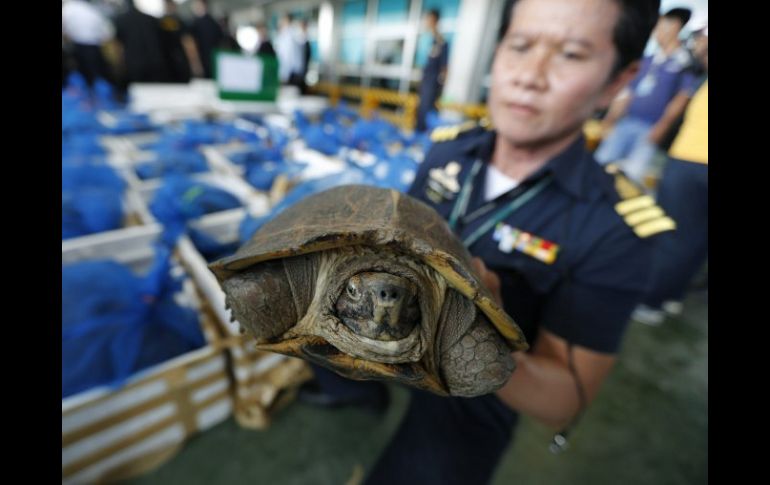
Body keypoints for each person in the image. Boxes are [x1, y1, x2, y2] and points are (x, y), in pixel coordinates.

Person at [301, 0, 674, 484]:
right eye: (520, 46)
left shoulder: (615, 229)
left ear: (618, 80)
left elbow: (563, 401)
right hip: (391, 323)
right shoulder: (449, 149)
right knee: (315, 326)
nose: (530, 75)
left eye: (571, 55)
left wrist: (483, 337)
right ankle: (361, 392)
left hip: (480, 383)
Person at [632, 24, 708, 326]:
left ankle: (651, 301)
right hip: (693, 163)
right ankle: (672, 296)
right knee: (697, 239)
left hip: (691, 162)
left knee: (673, 235)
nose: (700, 46)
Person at [593, 7, 697, 184]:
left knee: (631, 178)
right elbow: (627, 93)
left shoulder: (684, 63)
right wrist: (610, 120)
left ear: (675, 27)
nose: (657, 32)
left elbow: (680, 100)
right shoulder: (648, 60)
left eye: (662, 26)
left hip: (650, 129)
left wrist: (661, 128)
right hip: (626, 122)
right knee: (599, 165)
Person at [113, 0, 169, 85]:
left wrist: (119, 65)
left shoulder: (120, 20)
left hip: (133, 64)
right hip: (155, 62)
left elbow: (118, 46)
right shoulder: (150, 19)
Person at [61, 0, 114, 88]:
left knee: (87, 75)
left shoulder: (68, 8)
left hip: (80, 45)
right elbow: (107, 32)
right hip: (94, 45)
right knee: (96, 74)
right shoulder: (91, 8)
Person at [415, 9, 449, 133]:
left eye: (429, 19)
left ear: (435, 20)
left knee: (427, 108)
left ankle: (424, 135)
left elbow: (444, 66)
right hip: (425, 78)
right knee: (421, 108)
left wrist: (442, 84)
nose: (427, 22)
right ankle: (418, 133)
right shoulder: (425, 38)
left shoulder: (441, 42)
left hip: (433, 80)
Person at [158, 0, 203, 83]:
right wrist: (196, 64)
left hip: (164, 64)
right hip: (180, 63)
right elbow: (188, 43)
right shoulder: (180, 22)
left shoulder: (159, 22)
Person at [190, 0, 224, 79]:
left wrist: (195, 63)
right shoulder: (215, 23)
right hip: (214, 61)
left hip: (202, 61)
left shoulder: (195, 23)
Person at [275, 13, 304, 88]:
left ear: (286, 21)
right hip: (293, 72)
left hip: (289, 73)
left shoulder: (289, 36)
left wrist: (284, 75)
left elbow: (287, 57)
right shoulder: (291, 34)